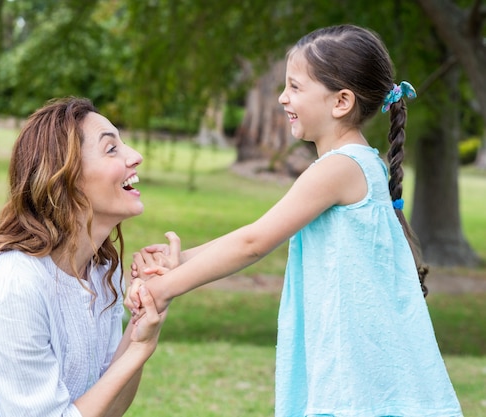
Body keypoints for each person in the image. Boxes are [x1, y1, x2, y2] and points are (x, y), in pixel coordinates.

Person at [128, 24, 463, 416]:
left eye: (295, 87)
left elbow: (254, 243)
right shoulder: (361, 162)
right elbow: (255, 233)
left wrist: (166, 287)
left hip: (355, 373)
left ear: (340, 102)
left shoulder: (338, 168)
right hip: (364, 367)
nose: (283, 97)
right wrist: (181, 259)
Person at [0, 97, 167, 417]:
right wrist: (139, 348)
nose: (136, 156)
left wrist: (141, 331)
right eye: (111, 148)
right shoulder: (13, 285)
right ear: (66, 179)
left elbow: (108, 408)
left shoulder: (102, 274)